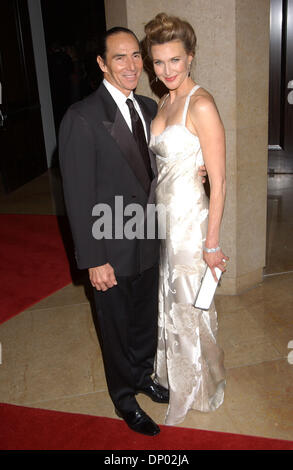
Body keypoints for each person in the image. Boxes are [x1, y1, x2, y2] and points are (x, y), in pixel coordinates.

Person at [59, 26, 206, 436]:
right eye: (119, 58)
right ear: (102, 64)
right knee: (116, 326)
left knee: (144, 319)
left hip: (150, 237)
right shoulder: (83, 117)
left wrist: (196, 168)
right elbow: (77, 195)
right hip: (110, 244)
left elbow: (160, 168)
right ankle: (124, 397)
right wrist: (93, 260)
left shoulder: (148, 106)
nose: (131, 65)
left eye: (136, 57)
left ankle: (143, 377)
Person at [144, 13, 228, 425]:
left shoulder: (201, 104)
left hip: (191, 227)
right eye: (158, 63)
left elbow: (221, 182)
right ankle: (174, 376)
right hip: (164, 225)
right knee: (171, 303)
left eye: (174, 61)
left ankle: (199, 386)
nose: (166, 71)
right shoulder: (165, 100)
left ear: (190, 58)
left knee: (192, 308)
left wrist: (211, 242)